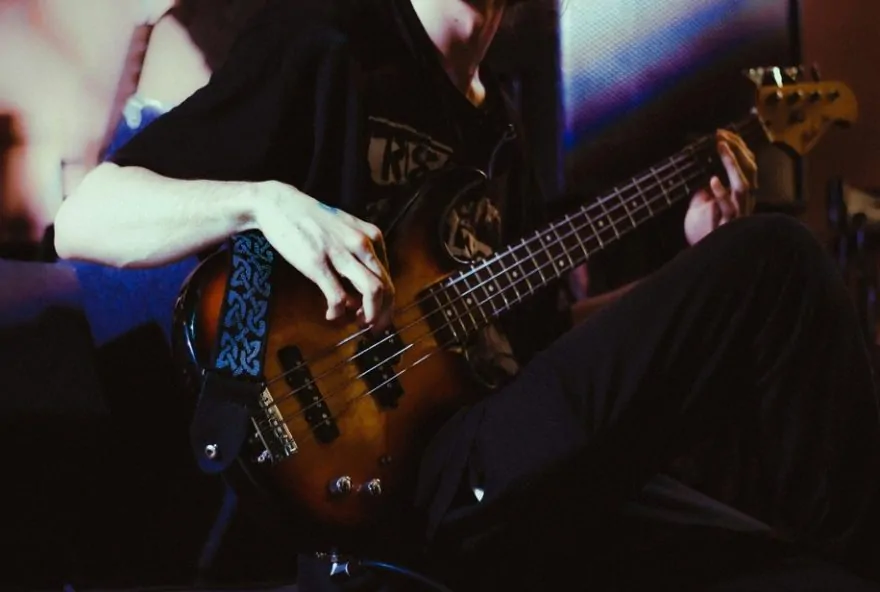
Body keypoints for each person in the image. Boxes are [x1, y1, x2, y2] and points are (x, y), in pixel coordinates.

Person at [54, 0, 880, 590]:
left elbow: (544, 345)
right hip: (400, 474)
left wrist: (697, 269)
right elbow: (84, 219)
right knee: (779, 257)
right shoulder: (328, 41)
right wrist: (264, 202)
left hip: (508, 452)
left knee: (799, 571)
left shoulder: (502, 133)